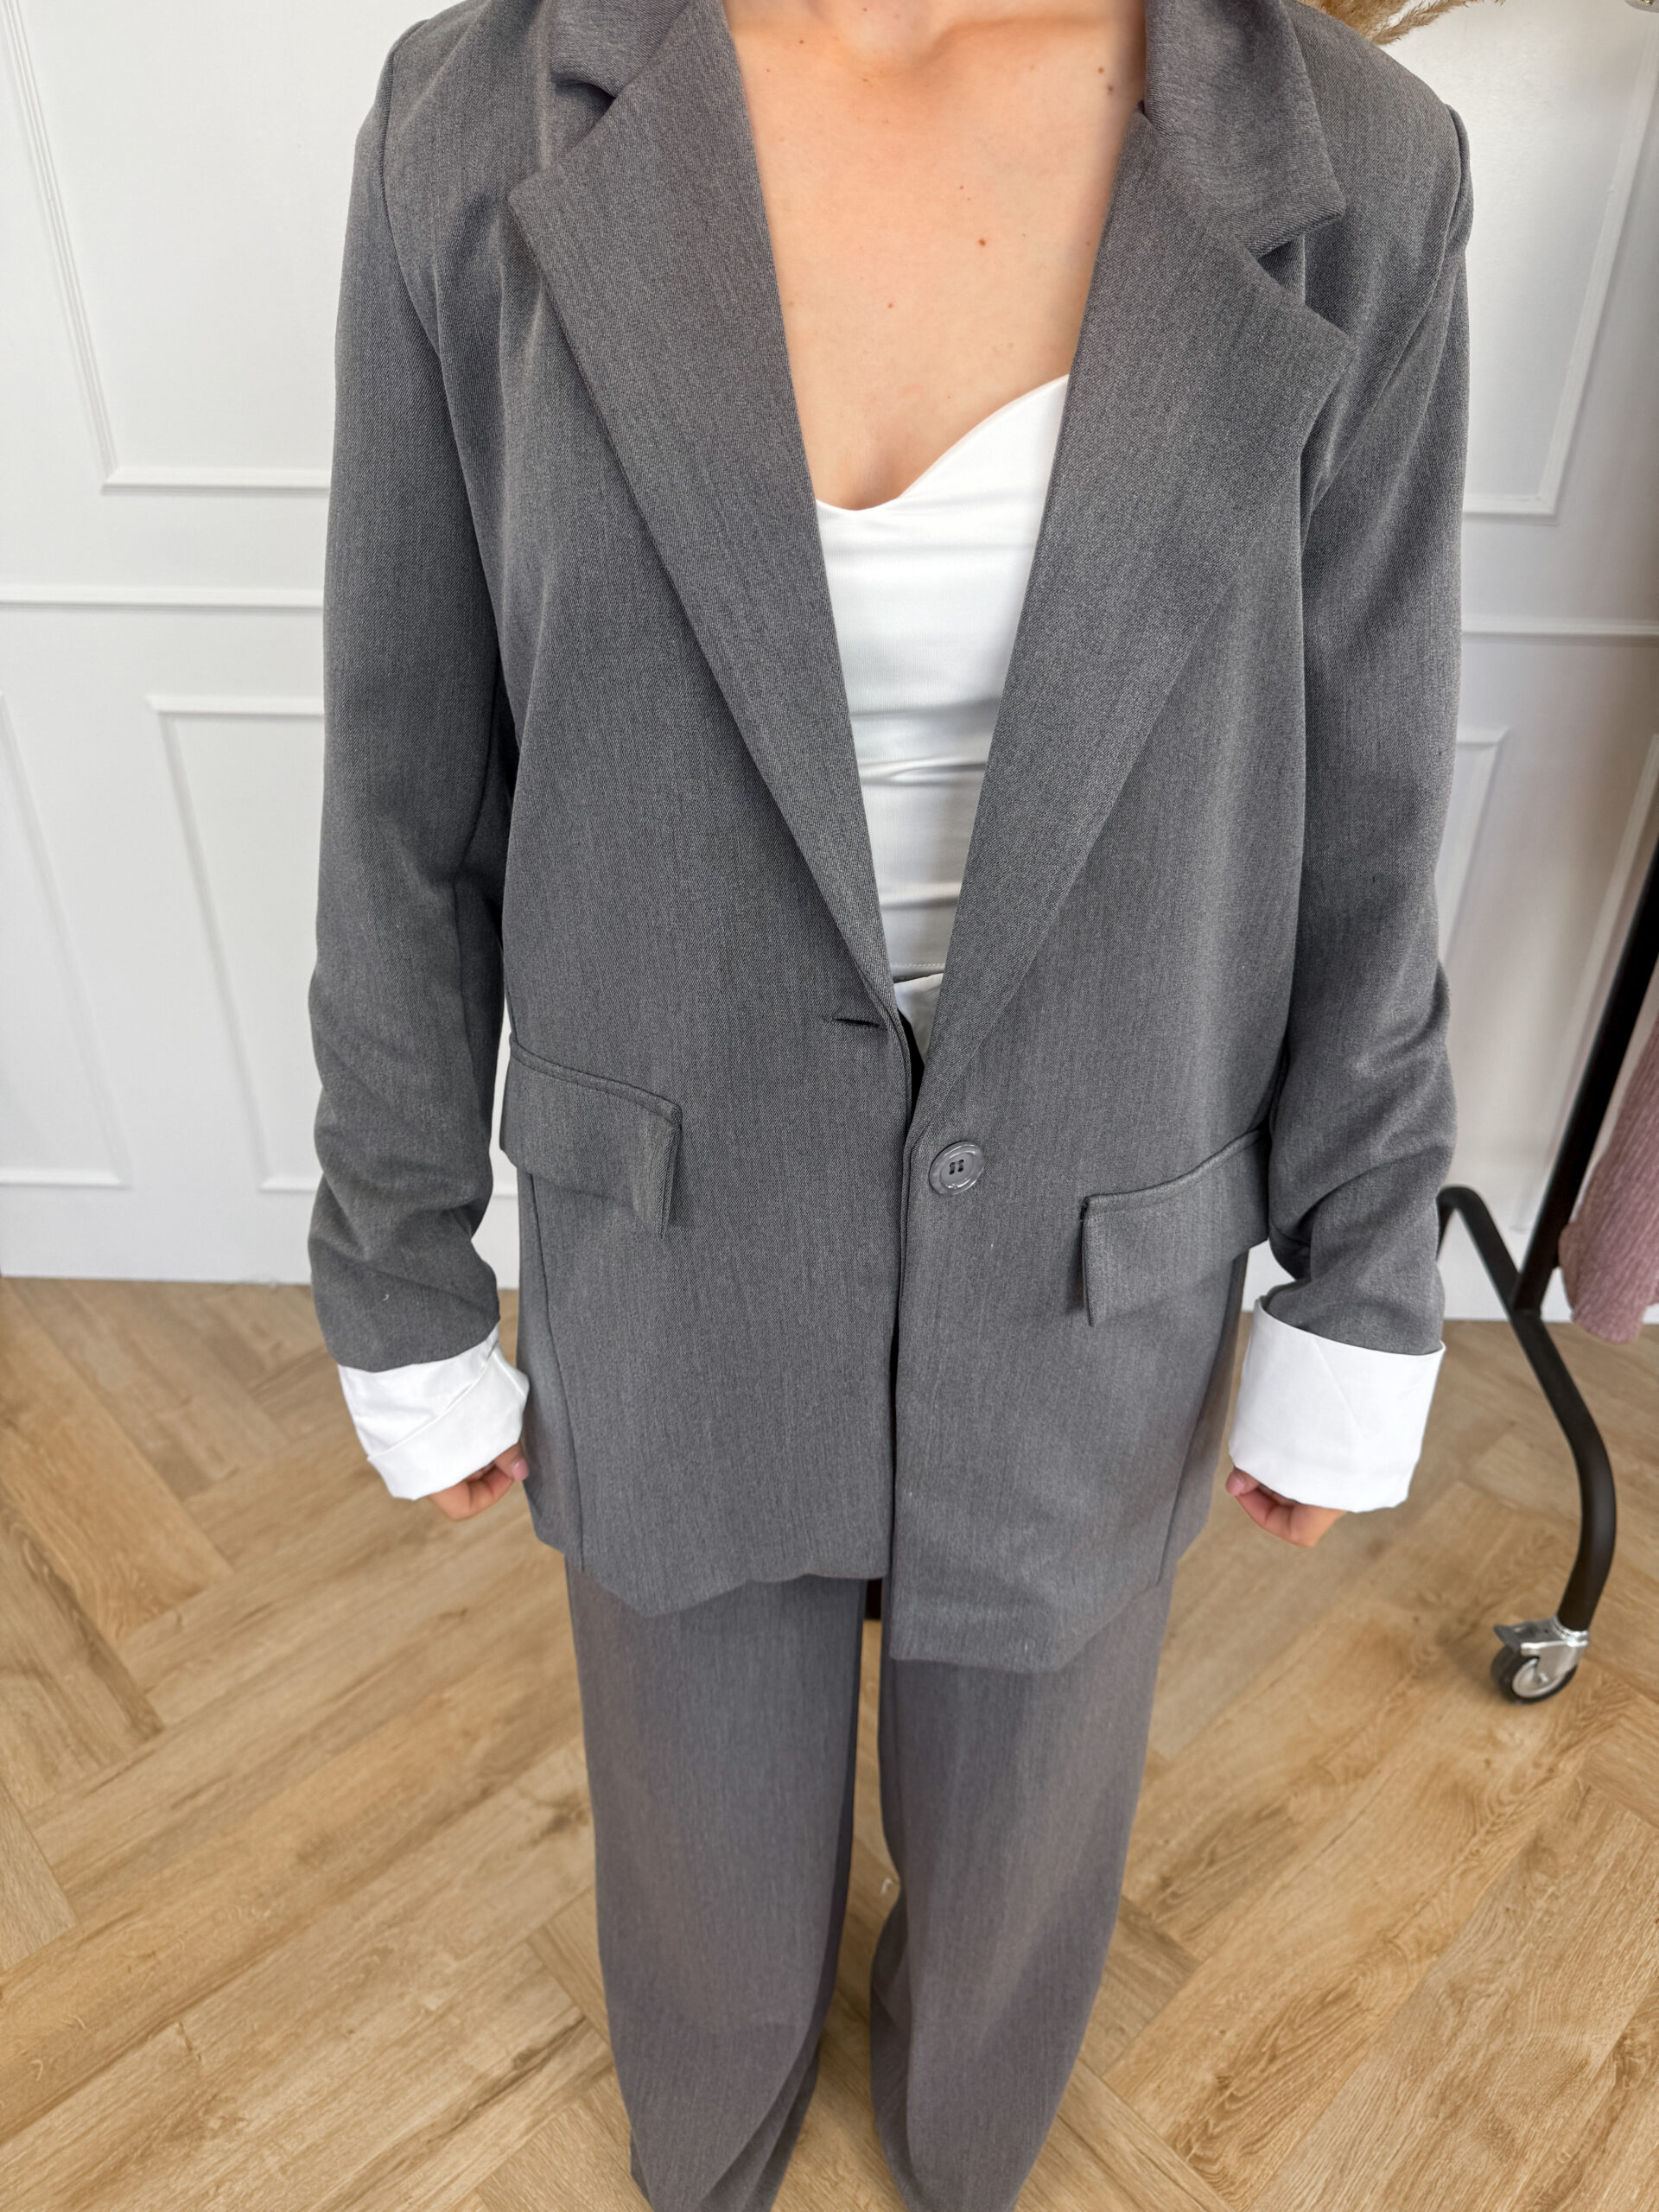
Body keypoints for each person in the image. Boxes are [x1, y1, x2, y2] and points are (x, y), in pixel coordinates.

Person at [308, 0, 1470, 2202]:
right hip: (670, 1228)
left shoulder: (1356, 174)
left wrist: (1365, 1263)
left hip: (1098, 1252)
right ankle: (713, 2139)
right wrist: (395, 1251)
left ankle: (963, 2147)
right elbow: (408, 769)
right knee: (696, 1852)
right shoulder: (473, 125)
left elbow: (1371, 793)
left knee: (1028, 1840)